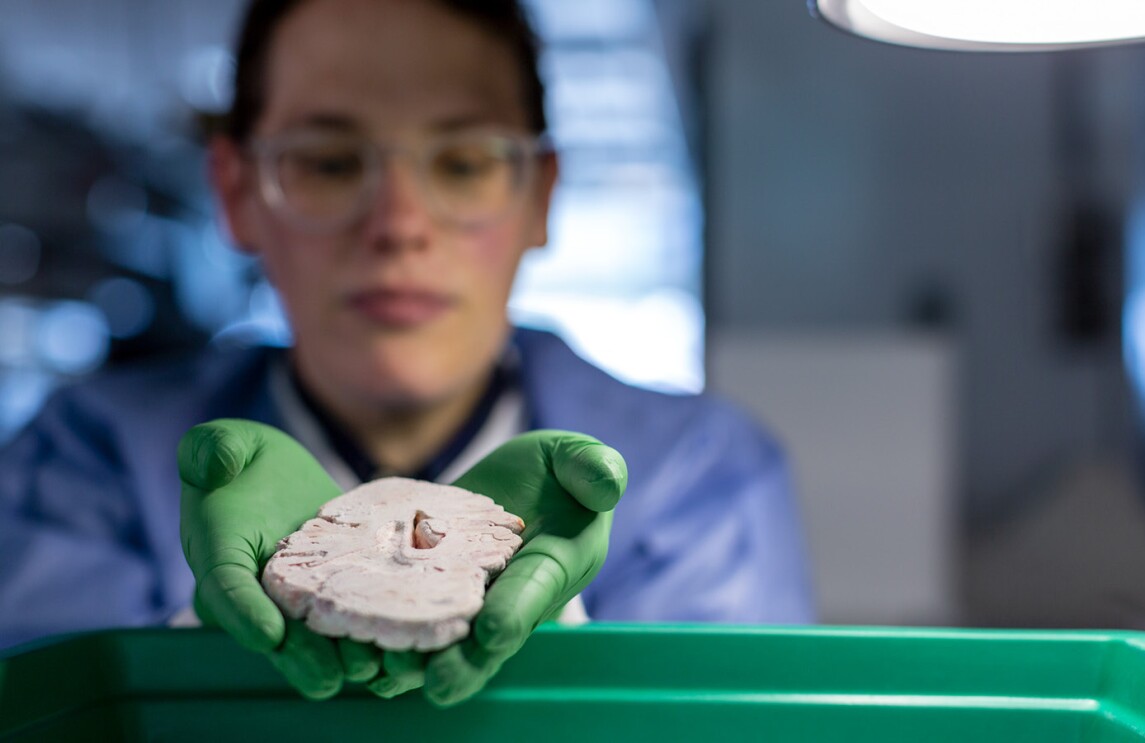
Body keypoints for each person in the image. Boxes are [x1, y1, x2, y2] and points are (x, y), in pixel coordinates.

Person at [0, 0, 812, 704]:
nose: (398, 225)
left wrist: (557, 633)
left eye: (462, 163)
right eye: (328, 161)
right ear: (237, 194)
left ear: (541, 196)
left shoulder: (701, 477)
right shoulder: (83, 459)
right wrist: (194, 647)